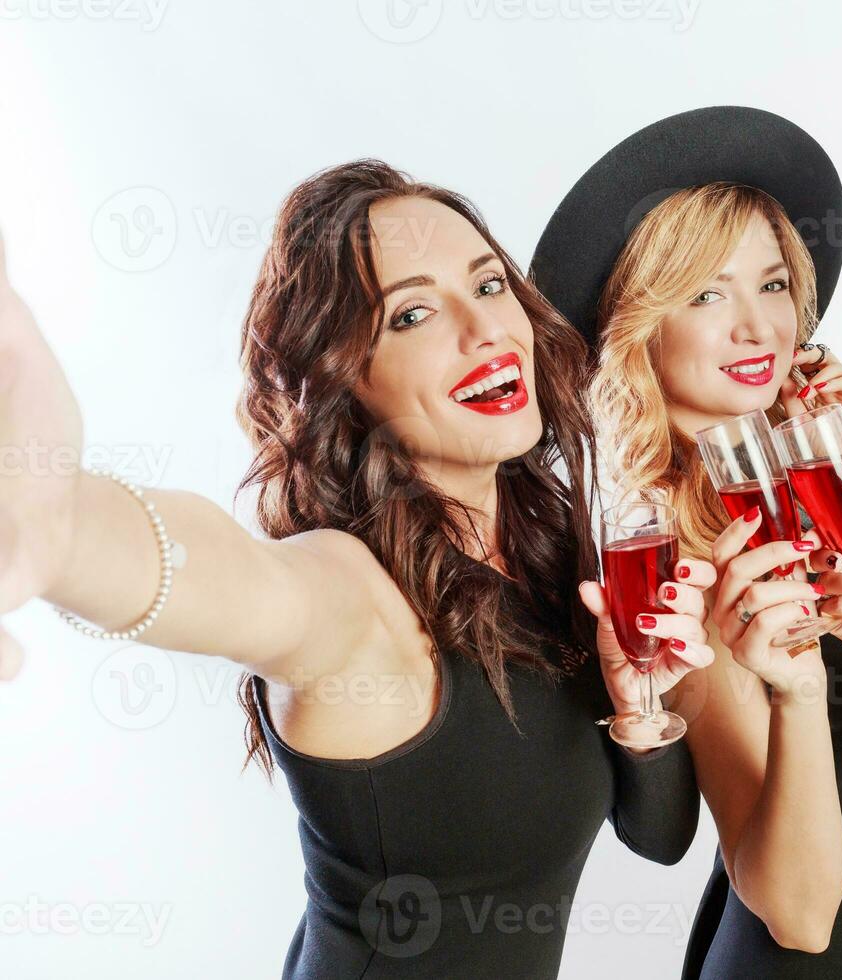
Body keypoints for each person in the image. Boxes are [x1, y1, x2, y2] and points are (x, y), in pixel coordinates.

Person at [0, 159, 720, 979]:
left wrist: (639, 706)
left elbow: (658, 839)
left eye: (488, 287)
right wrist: (54, 521)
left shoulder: (551, 559)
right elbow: (239, 583)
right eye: (412, 314)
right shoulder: (352, 591)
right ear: (345, 378)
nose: (484, 330)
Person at [532, 106, 842, 978]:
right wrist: (795, 692)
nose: (757, 326)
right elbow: (798, 911)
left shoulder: (818, 488)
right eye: (704, 294)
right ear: (640, 326)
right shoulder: (675, 558)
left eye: (771, 285)